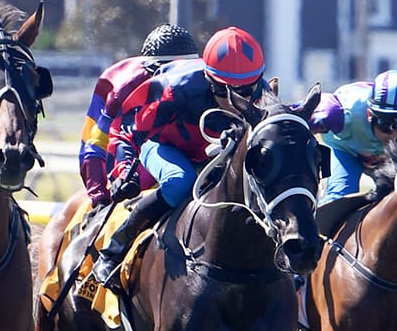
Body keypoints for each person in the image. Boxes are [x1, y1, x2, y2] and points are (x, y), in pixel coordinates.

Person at [90, 26, 269, 289]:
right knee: (179, 181)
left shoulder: (262, 92)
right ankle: (115, 249)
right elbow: (128, 130)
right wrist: (123, 169)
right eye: (224, 91)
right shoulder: (175, 88)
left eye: (245, 92)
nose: (234, 101)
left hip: (216, 152)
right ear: (209, 79)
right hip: (164, 146)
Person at [78, 24, 199, 208]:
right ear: (149, 71)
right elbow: (94, 146)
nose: (173, 82)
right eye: (166, 73)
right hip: (130, 155)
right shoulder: (122, 92)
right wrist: (99, 196)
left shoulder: (197, 84)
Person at [312, 68, 397, 204]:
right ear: (369, 114)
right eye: (386, 125)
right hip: (347, 152)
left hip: (393, 158)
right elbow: (293, 118)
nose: (394, 135)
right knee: (340, 196)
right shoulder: (335, 112)